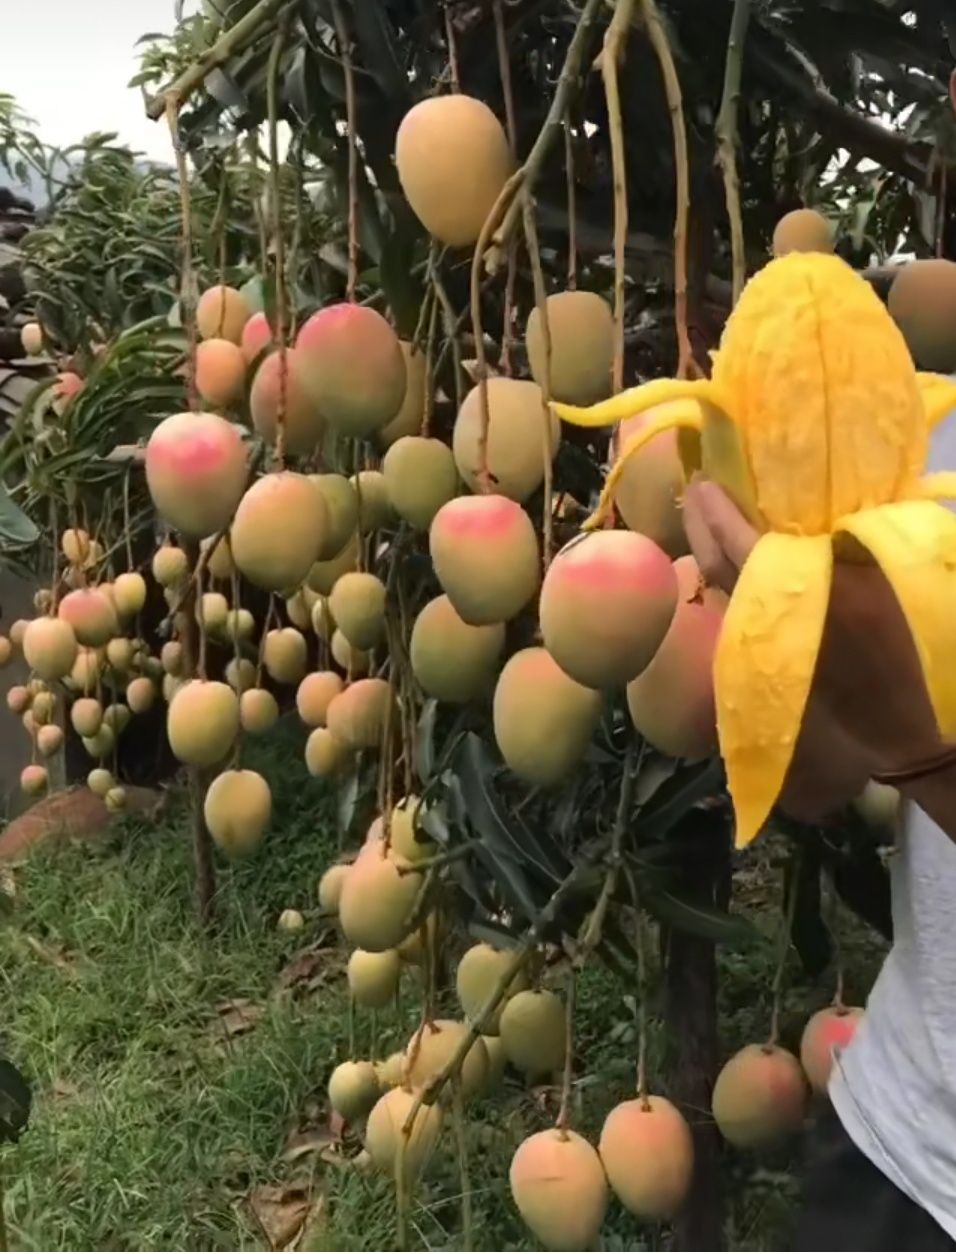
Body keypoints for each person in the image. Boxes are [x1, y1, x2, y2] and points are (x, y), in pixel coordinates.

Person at [683, 417, 956, 1251]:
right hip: (904, 1141)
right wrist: (786, 634)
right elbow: (818, 785)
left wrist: (921, 750)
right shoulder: (931, 430)